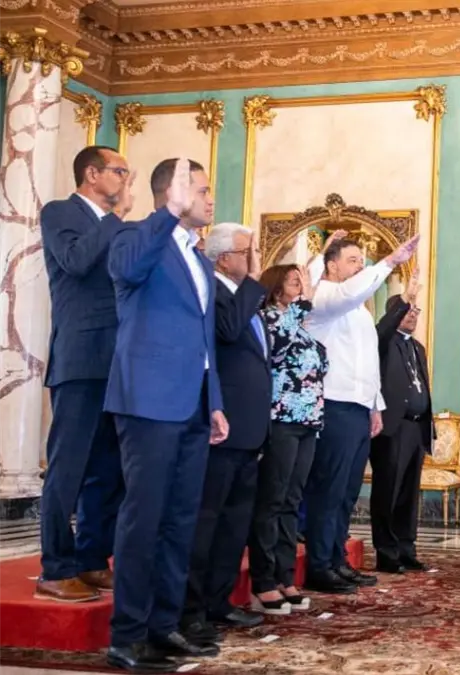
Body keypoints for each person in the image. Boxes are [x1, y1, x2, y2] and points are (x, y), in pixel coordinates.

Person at [104, 158, 228, 672]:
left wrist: (215, 400)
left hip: (194, 403)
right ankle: (127, 634)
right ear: (170, 193)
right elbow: (124, 271)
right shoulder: (135, 238)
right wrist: (167, 214)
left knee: (181, 521)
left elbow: (205, 341)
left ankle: (164, 625)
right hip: (149, 401)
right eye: (199, 190)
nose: (209, 199)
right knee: (144, 517)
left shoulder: (200, 261)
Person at [36, 146, 134, 603]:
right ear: (92, 175)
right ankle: (56, 566)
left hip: (118, 360)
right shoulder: (61, 212)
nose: (124, 180)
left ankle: (93, 559)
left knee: (107, 468)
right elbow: (75, 261)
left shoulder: (116, 226)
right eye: (120, 172)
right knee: (69, 467)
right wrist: (116, 222)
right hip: (80, 358)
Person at [302, 231, 419, 593]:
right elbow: (346, 291)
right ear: (331, 265)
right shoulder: (322, 296)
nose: (359, 266)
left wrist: (375, 407)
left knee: (347, 492)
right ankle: (320, 565)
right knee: (329, 488)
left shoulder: (359, 312)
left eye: (362, 261)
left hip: (358, 408)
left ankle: (336, 559)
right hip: (333, 405)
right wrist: (390, 262)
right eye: (352, 260)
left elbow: (368, 362)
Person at [180, 222, 270, 642]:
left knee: (235, 523)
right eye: (247, 251)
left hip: (250, 428)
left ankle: (219, 600)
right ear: (224, 258)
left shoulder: (240, 295)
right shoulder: (213, 291)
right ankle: (192, 609)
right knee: (207, 520)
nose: (254, 258)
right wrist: (253, 282)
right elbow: (228, 333)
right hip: (222, 424)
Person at [248, 263, 327, 614]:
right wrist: (303, 304)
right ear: (276, 288)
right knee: (272, 500)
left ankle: (284, 574)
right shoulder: (268, 319)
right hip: (280, 418)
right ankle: (264, 580)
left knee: (292, 500)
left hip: (308, 420)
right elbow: (277, 349)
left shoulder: (303, 327)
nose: (302, 286)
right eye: (295, 281)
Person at [371, 277, 434, 574]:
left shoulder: (417, 348)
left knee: (408, 495)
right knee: (389, 491)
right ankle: (387, 552)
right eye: (407, 310)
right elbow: (384, 328)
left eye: (416, 311)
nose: (412, 314)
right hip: (392, 429)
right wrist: (405, 299)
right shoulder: (382, 342)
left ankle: (407, 549)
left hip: (416, 429)